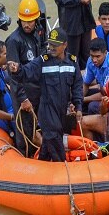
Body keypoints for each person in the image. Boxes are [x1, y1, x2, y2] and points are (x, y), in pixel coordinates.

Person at [8, 28, 83, 162]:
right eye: (50, 44)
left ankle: (43, 161)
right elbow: (26, 72)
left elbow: (77, 85)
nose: (51, 47)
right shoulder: (43, 61)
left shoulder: (72, 62)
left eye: (55, 45)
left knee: (52, 140)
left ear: (65, 45)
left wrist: (78, 106)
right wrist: (17, 69)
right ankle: (62, 167)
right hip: (47, 110)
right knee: (53, 137)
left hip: (61, 111)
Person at [6, 0, 46, 156]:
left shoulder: (37, 33)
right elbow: (13, 76)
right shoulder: (14, 42)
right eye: (24, 21)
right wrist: (23, 99)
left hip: (38, 91)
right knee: (26, 132)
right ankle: (25, 156)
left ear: (36, 19)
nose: (27, 24)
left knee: (38, 126)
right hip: (24, 95)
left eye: (30, 21)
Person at [82, 37, 109, 114]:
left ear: (105, 53)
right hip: (103, 92)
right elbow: (86, 83)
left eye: (98, 56)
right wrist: (78, 99)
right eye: (92, 56)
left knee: (92, 106)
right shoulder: (90, 61)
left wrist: (83, 99)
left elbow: (105, 94)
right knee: (76, 95)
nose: (94, 60)